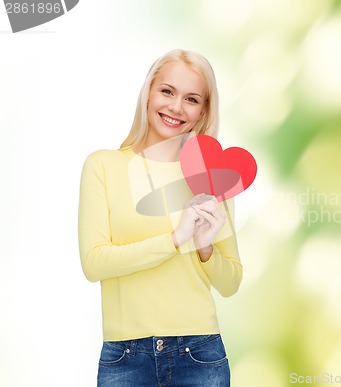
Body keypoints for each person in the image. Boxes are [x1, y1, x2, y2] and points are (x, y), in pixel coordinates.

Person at [78, 49, 242, 387]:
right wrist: (174, 239)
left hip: (200, 354)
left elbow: (231, 283)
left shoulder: (212, 177)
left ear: (203, 111)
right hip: (126, 357)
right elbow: (94, 263)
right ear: (148, 91)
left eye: (192, 99)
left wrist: (205, 249)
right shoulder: (103, 166)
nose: (176, 107)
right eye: (167, 91)